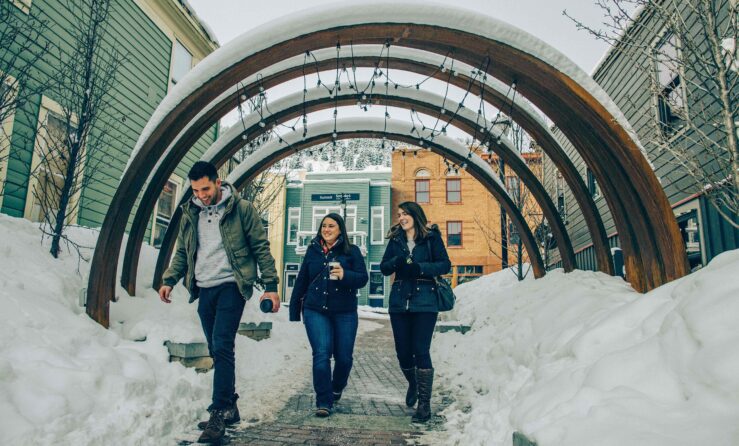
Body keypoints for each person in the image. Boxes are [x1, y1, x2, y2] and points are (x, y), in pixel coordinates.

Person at [158, 161, 279, 444]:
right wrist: (169, 279)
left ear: (217, 182)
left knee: (223, 344)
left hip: (231, 286)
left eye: (205, 188)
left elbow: (261, 247)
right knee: (216, 348)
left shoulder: (241, 209)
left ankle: (218, 413)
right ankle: (231, 406)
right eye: (196, 190)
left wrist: (271, 286)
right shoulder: (190, 212)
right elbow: (182, 251)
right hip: (204, 289)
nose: (201, 194)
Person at [289, 213, 368, 417]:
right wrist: (294, 311)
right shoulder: (313, 250)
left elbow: (362, 279)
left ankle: (336, 388)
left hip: (345, 312)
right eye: (324, 226)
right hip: (315, 310)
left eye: (331, 226)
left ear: (340, 229)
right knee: (321, 354)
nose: (326, 229)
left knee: (344, 358)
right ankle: (323, 401)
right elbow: (302, 280)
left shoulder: (352, 251)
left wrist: (344, 275)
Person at [380, 201, 451, 423]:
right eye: (399, 214)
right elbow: (384, 268)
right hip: (400, 301)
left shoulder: (431, 237)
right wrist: (397, 260)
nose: (401, 218)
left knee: (421, 350)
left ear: (415, 216)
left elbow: (444, 265)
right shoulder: (395, 240)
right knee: (403, 352)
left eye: (405, 214)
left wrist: (420, 267)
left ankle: (424, 405)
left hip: (425, 300)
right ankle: (413, 382)